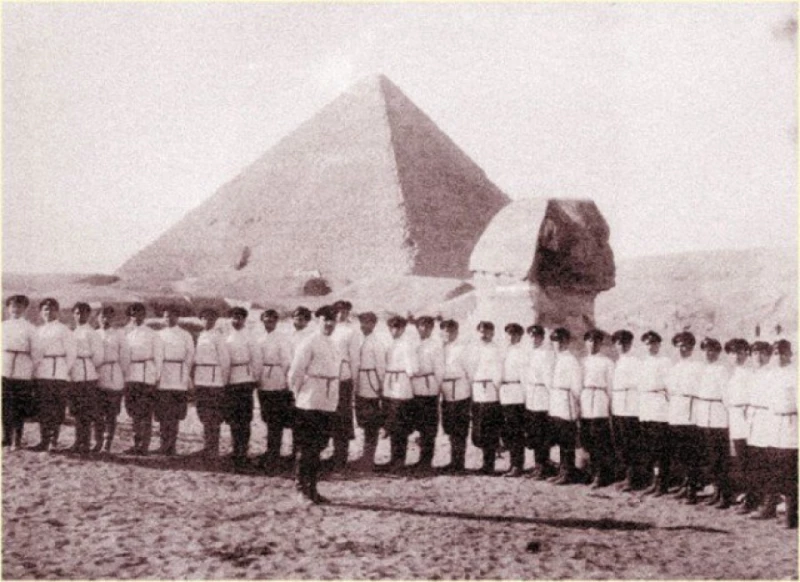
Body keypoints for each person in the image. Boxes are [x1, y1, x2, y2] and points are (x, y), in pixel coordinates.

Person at [288, 305, 341, 504]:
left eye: (332, 320)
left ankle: (312, 488)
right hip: (310, 400)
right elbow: (295, 372)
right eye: (325, 320)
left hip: (327, 401)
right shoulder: (309, 341)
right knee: (307, 446)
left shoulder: (333, 343)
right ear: (318, 321)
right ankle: (301, 488)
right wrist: (300, 395)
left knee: (319, 446)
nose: (329, 324)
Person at [31, 298, 76, 452]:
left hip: (58, 373)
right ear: (41, 312)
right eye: (45, 309)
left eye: (51, 309)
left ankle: (53, 441)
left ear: (57, 311)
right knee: (43, 407)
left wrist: (63, 370)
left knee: (56, 408)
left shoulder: (64, 330)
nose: (48, 312)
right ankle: (43, 440)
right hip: (42, 372)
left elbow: (71, 354)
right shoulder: (38, 331)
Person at [666, 331, 704, 504]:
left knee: (692, 452)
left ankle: (692, 489)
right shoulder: (675, 367)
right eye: (679, 346)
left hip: (691, 410)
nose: (682, 349)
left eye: (685, 346)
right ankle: (685, 482)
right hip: (677, 410)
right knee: (680, 450)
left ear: (692, 347)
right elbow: (669, 390)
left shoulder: (698, 366)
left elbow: (701, 390)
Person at [695, 337, 732, 508]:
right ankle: (716, 491)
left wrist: (727, 417)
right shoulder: (702, 369)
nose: (708, 353)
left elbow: (726, 395)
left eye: (711, 350)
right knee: (711, 457)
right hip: (705, 415)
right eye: (705, 350)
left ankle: (725, 495)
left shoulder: (722, 370)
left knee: (720, 458)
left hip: (718, 415)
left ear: (718, 352)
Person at [255, 309, 293, 473]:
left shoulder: (281, 338)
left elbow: (286, 361)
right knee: (267, 417)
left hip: (277, 380)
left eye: (272, 320)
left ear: (276, 321)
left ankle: (274, 453)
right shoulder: (259, 337)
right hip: (263, 380)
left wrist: (282, 379)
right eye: (266, 319)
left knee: (276, 420)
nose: (269, 322)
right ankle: (270, 451)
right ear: (262, 320)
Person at [122, 302, 163, 455]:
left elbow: (158, 357)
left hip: (146, 377)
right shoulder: (127, 334)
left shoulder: (152, 334)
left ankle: (144, 446)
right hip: (131, 376)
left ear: (144, 315)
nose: (136, 317)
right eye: (133, 314)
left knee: (145, 413)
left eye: (139, 314)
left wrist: (157, 376)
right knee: (133, 412)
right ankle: (136, 443)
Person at [224, 306, 262, 469]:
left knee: (244, 418)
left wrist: (255, 378)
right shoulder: (227, 336)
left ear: (244, 320)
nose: (236, 321)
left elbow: (257, 359)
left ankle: (243, 451)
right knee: (233, 418)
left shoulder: (250, 337)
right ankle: (235, 450)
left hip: (245, 379)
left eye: (239, 318)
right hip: (231, 380)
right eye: (233, 317)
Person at [155, 305, 194, 456]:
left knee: (175, 414)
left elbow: (190, 356)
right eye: (166, 316)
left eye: (172, 315)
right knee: (163, 413)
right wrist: (157, 376)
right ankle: (163, 444)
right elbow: (157, 356)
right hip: (163, 377)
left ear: (177, 317)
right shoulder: (158, 335)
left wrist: (185, 374)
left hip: (179, 377)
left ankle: (172, 445)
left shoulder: (185, 335)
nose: (169, 319)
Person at [380, 316, 418, 471]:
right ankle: (393, 458)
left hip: (401, 386)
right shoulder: (389, 343)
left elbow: (413, 368)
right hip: (390, 385)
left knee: (400, 424)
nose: (394, 330)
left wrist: (405, 376)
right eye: (392, 327)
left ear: (403, 329)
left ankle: (399, 460)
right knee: (392, 423)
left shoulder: (407, 344)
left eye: (397, 327)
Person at [742, 340, 775, 517]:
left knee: (767, 462)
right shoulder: (752, 374)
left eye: (762, 353)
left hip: (767, 418)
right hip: (753, 418)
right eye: (755, 353)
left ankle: (769, 505)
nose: (758, 357)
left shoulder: (772, 374)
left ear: (769, 355)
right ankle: (754, 500)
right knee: (755, 461)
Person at [192, 308, 230, 459]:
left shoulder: (218, 336)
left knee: (213, 416)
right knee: (203, 414)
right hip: (201, 379)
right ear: (201, 319)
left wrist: (223, 381)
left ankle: (213, 449)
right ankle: (207, 447)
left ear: (215, 321)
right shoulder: (201, 335)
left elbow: (225, 361)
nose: (208, 321)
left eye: (211, 319)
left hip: (214, 381)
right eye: (205, 318)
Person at [638, 331, 672, 496]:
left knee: (660, 447)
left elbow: (670, 386)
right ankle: (654, 480)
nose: (650, 346)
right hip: (646, 406)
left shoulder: (665, 362)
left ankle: (662, 483)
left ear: (659, 344)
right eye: (647, 343)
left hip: (659, 405)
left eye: (653, 343)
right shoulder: (643, 362)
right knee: (650, 447)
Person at [580, 329, 615, 488]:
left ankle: (601, 475)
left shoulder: (607, 362)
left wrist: (610, 405)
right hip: (586, 398)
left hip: (600, 398)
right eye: (589, 341)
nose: (592, 344)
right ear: (585, 343)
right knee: (587, 439)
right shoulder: (582, 361)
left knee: (600, 439)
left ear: (600, 343)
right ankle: (591, 471)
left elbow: (611, 385)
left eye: (596, 341)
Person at [724, 338, 756, 512]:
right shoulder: (731, 373)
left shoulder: (751, 373)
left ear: (746, 354)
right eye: (733, 352)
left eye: (740, 352)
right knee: (741, 458)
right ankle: (747, 495)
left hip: (747, 416)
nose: (736, 356)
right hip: (735, 415)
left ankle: (752, 498)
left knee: (748, 458)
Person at [468, 321, 503, 475]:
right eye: (481, 331)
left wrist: (496, 390)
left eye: (487, 331)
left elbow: (498, 372)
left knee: (490, 428)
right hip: (477, 390)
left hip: (490, 390)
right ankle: (484, 463)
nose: (484, 334)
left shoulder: (495, 349)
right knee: (479, 427)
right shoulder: (473, 349)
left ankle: (489, 464)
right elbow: (469, 369)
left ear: (493, 333)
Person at [548, 327, 582, 485]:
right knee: (560, 438)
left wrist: (575, 403)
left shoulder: (571, 360)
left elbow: (577, 386)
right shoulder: (556, 359)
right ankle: (562, 470)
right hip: (556, 400)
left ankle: (569, 472)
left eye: (561, 341)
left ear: (567, 341)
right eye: (555, 341)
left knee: (567, 438)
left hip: (566, 401)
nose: (558, 344)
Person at [410, 315, 444, 472]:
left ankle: (426, 461)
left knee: (428, 427)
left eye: (427, 326)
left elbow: (439, 369)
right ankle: (419, 459)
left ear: (431, 329)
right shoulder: (414, 344)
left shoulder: (435, 346)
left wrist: (438, 389)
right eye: (421, 326)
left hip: (429, 388)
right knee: (418, 424)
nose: (423, 329)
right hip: (414, 388)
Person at [769, 339, 797, 529]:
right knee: (778, 468)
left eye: (783, 353)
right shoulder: (773, 374)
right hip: (775, 424)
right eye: (776, 353)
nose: (779, 356)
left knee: (790, 470)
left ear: (790, 354)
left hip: (791, 424)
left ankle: (791, 515)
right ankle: (783, 509)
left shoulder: (796, 374)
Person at [68, 302, 103, 454]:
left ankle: (86, 443)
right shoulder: (72, 332)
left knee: (86, 411)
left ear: (88, 315)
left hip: (87, 374)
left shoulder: (91, 333)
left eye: (83, 313)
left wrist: (87, 366)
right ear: (73, 314)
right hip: (74, 375)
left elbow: (98, 356)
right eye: (77, 313)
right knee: (76, 411)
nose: (79, 316)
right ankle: (78, 441)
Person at [3, 294, 37, 448]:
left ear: (25, 308)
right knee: (4, 404)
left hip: (22, 370)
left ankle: (17, 439)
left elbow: (36, 352)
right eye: (13, 306)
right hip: (4, 368)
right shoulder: (3, 326)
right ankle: (6, 437)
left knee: (19, 406)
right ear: (8, 308)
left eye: (19, 306)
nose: (15, 309)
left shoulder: (30, 328)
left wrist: (30, 370)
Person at [354, 311, 386, 471]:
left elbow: (381, 366)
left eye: (368, 322)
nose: (364, 325)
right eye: (362, 322)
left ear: (374, 324)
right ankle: (364, 456)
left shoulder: (377, 342)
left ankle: (369, 458)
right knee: (363, 421)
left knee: (372, 423)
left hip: (371, 383)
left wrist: (380, 385)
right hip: (360, 383)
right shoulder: (358, 340)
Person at [329, 300, 359, 470]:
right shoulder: (327, 328)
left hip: (343, 377)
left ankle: (341, 456)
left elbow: (354, 358)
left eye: (345, 311)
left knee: (342, 416)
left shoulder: (351, 331)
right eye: (339, 311)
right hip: (326, 377)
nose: (341, 314)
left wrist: (353, 379)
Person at [610, 329, 641, 490]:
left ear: (630, 344)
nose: (621, 346)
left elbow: (638, 385)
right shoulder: (618, 362)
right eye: (618, 343)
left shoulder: (635, 361)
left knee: (631, 443)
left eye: (625, 343)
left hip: (630, 407)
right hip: (618, 406)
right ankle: (626, 476)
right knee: (620, 443)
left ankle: (633, 478)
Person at [95, 306, 129, 453]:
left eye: (108, 317)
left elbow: (125, 357)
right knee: (97, 412)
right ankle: (98, 441)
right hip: (97, 374)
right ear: (97, 318)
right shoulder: (94, 334)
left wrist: (121, 375)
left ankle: (107, 443)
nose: (105, 320)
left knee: (111, 412)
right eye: (102, 316)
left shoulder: (119, 335)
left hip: (114, 374)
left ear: (113, 318)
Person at [524, 324, 555, 480]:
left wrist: (551, 398)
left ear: (542, 337)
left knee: (543, 432)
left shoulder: (546, 354)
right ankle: (538, 465)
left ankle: (544, 466)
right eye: (531, 336)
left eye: (536, 336)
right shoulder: (530, 353)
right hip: (532, 395)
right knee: (535, 432)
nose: (533, 339)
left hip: (543, 395)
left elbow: (548, 377)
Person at [440, 319, 471, 474]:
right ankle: (453, 461)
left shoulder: (462, 348)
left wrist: (469, 391)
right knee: (450, 427)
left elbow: (469, 370)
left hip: (460, 390)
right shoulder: (441, 348)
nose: (448, 333)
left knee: (460, 428)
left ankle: (459, 463)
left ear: (457, 332)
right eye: (445, 330)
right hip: (445, 391)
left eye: (451, 331)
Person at [499, 323, 528, 477]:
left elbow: (524, 376)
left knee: (516, 431)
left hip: (516, 392)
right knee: (508, 431)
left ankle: (517, 465)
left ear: (520, 336)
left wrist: (525, 396)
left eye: (514, 334)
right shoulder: (504, 351)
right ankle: (512, 463)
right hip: (504, 393)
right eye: (509, 334)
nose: (511, 337)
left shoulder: (522, 352)